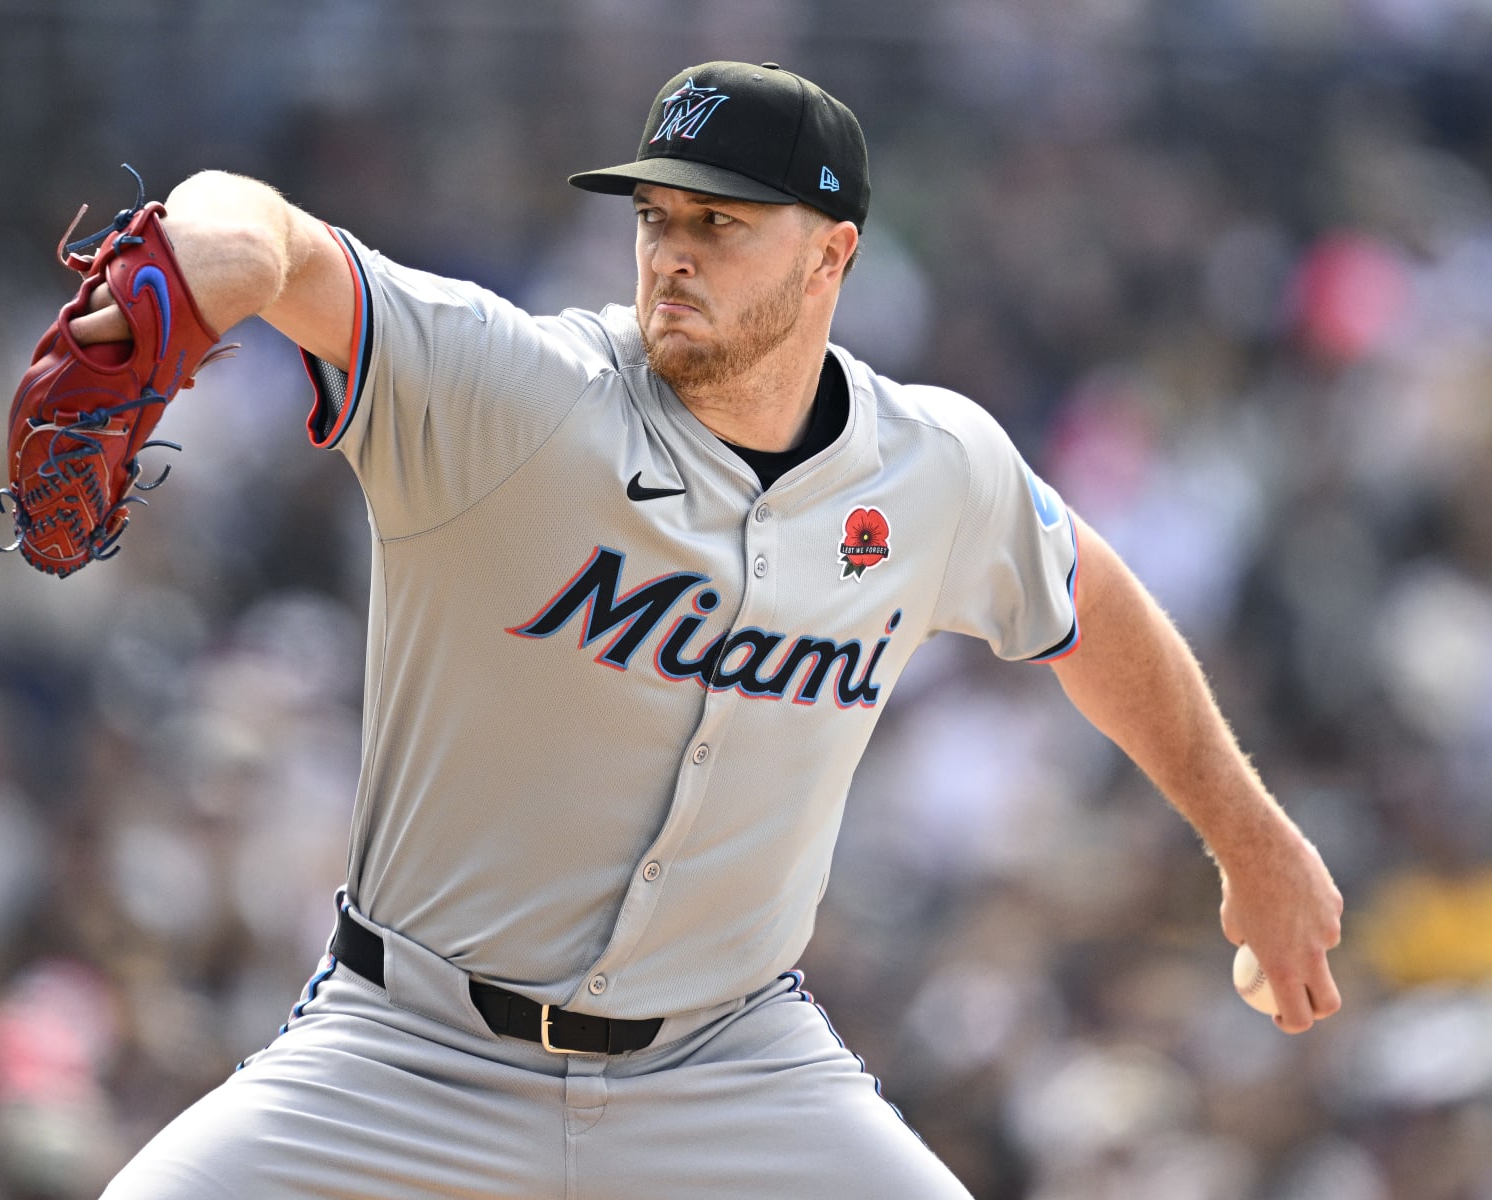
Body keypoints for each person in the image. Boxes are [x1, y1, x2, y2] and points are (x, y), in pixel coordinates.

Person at [68, 61, 1343, 1199]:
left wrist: (1251, 837)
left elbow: (1092, 608)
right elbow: (272, 235)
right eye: (654, 218)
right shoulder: (514, 392)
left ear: (831, 258)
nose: (671, 251)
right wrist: (210, 256)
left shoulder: (937, 468)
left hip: (730, 1068)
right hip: (411, 1051)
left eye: (719, 223)